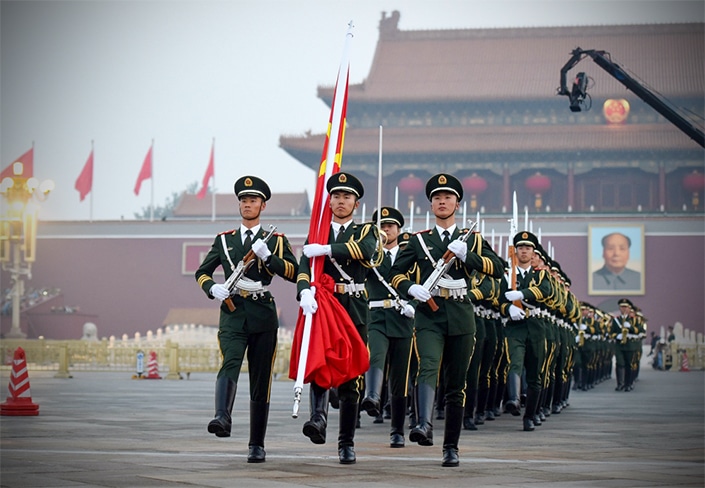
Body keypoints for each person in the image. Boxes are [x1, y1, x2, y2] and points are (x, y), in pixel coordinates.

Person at [389, 173, 504, 467]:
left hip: (461, 314)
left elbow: (499, 268)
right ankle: (423, 424)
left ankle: (451, 446)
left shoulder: (471, 240)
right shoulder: (418, 241)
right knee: (427, 365)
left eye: (448, 197)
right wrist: (409, 287)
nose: (442, 201)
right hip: (429, 313)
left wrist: (470, 258)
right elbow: (396, 273)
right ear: (431, 204)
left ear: (457, 203)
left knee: (456, 382)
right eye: (437, 198)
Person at [195, 175, 298, 463]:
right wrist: (211, 287)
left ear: (262, 205)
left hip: (263, 312)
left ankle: (257, 444)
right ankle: (222, 417)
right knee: (230, 360)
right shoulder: (224, 240)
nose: (247, 204)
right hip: (232, 311)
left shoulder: (275, 241)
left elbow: (295, 273)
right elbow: (201, 272)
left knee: (260, 378)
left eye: (253, 200)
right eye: (243, 200)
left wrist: (269, 259)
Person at [296, 171, 379, 465]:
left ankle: (346, 442)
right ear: (329, 201)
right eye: (336, 196)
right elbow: (304, 264)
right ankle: (317, 420)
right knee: (320, 364)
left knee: (350, 375)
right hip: (324, 306)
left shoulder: (366, 231)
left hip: (353, 306)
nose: (341, 201)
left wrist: (328, 249)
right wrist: (304, 291)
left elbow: (366, 251)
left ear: (356, 204)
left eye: (347, 197)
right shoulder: (317, 232)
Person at [360, 206, 415, 448]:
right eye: (381, 226)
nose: (386, 230)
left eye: (390, 226)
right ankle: (372, 396)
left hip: (403, 318)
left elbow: (421, 283)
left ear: (398, 229)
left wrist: (412, 303)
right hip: (377, 315)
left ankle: (397, 430)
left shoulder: (408, 256)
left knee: (400, 378)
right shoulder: (370, 255)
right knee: (375, 355)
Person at [500, 230, 552, 432]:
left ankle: (530, 415)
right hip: (515, 328)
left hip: (536, 327)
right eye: (520, 247)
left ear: (533, 252)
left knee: (535, 374)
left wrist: (522, 293)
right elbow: (498, 301)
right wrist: (508, 308)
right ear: (515, 251)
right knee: (514, 362)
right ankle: (513, 399)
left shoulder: (540, 276)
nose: (524, 251)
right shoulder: (507, 276)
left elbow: (544, 292)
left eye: (528, 248)